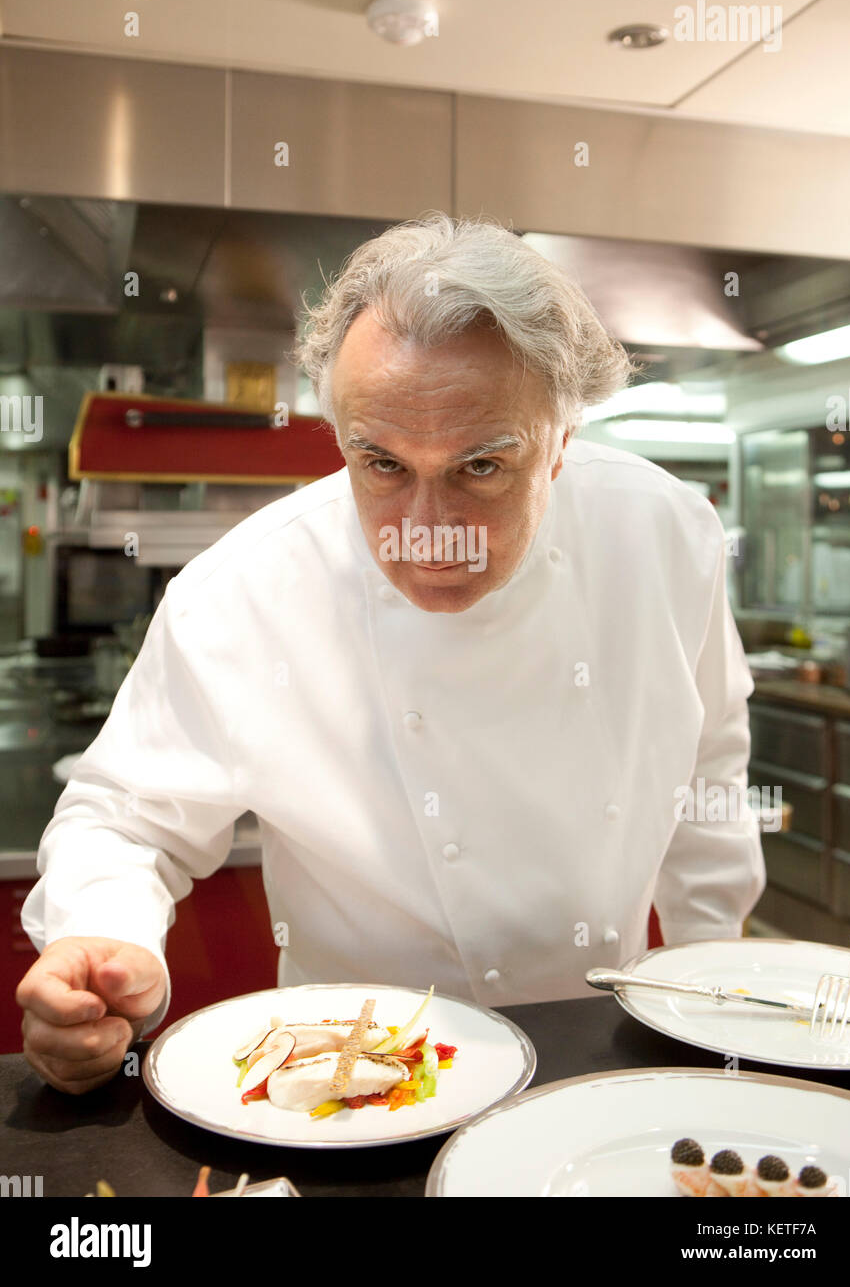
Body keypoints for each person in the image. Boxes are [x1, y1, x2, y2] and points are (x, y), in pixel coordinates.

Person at [16, 212, 765, 1093]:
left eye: (480, 468)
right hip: (351, 1084)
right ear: (339, 435)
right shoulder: (247, 590)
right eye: (381, 465)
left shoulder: (664, 537)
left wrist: (711, 989)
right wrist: (104, 935)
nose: (428, 531)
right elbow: (126, 815)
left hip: (602, 1057)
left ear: (562, 442)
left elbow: (709, 762)